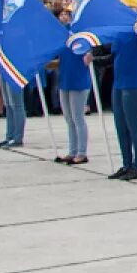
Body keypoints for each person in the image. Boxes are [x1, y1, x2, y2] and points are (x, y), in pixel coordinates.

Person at [108, 29, 137, 179]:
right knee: (121, 126)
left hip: (135, 82)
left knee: (134, 126)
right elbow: (113, 56)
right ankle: (126, 164)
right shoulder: (118, 32)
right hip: (119, 83)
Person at [53, 14, 91, 165]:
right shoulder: (62, 33)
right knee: (69, 118)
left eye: (67, 14)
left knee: (78, 118)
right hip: (65, 80)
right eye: (62, 14)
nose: (63, 17)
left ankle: (82, 152)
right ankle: (72, 150)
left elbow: (90, 51)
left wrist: (89, 55)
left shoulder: (83, 33)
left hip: (79, 81)